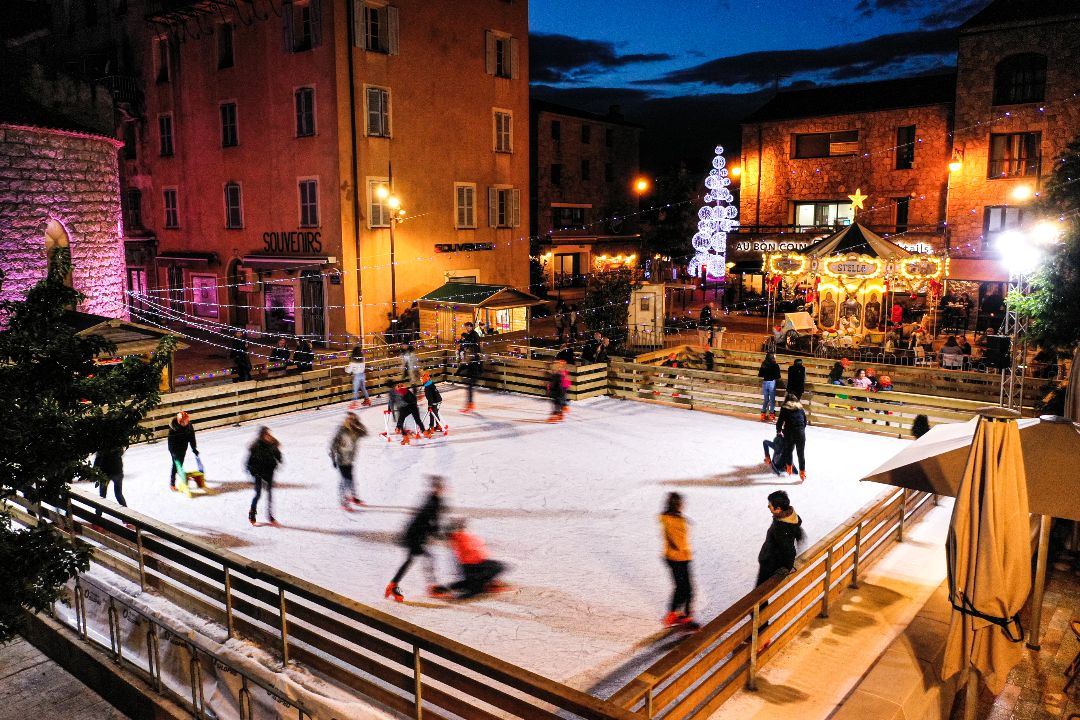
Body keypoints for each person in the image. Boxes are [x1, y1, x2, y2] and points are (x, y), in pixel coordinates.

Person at [386, 476, 446, 602]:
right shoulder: (433, 502)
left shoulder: (433, 500)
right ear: (436, 488)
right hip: (415, 537)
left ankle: (393, 586)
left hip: (415, 535)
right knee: (423, 558)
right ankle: (432, 587)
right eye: (439, 487)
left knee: (414, 560)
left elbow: (430, 522)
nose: (442, 489)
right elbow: (432, 523)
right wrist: (441, 533)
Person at [660, 492, 697, 628]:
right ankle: (679, 615)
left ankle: (679, 615)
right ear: (676, 504)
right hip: (678, 558)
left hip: (678, 557)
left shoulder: (671, 518)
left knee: (684, 588)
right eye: (680, 503)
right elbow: (675, 539)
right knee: (685, 589)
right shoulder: (673, 520)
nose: (683, 505)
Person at [445, 518, 508, 599]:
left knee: (498, 567)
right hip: (473, 565)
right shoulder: (459, 536)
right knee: (497, 568)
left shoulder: (463, 536)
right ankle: (475, 589)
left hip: (477, 564)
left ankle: (446, 589)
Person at [756, 490, 804, 586]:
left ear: (778, 509)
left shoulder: (781, 527)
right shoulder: (791, 517)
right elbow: (798, 532)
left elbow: (789, 550)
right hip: (770, 560)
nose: (768, 506)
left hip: (770, 563)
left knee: (761, 590)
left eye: (770, 505)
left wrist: (787, 566)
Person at [329, 412, 367, 509]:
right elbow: (333, 445)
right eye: (349, 420)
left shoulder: (355, 431)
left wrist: (358, 423)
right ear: (346, 421)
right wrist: (333, 458)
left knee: (351, 479)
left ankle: (354, 497)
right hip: (341, 460)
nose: (351, 422)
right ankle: (343, 501)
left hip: (350, 460)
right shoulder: (341, 431)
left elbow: (365, 433)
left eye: (353, 421)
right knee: (345, 480)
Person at [246, 426, 282, 525]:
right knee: (258, 494)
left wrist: (278, 458)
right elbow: (249, 462)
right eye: (266, 434)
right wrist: (253, 472)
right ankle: (252, 513)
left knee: (270, 495)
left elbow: (278, 456)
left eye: (269, 434)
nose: (268, 435)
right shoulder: (256, 446)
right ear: (262, 435)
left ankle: (270, 515)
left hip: (269, 473)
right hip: (258, 473)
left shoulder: (272, 444)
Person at [775, 395, 807, 481]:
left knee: (789, 450)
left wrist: (779, 431)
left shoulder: (785, 408)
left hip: (789, 432)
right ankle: (802, 472)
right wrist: (801, 430)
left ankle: (789, 468)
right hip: (800, 432)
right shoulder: (800, 409)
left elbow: (779, 422)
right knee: (801, 453)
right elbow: (804, 421)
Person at [167, 411, 199, 492]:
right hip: (174, 449)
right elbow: (170, 444)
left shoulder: (189, 426)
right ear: (179, 421)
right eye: (184, 422)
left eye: (187, 421)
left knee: (181, 463)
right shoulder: (173, 429)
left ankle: (180, 471)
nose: (186, 423)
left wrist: (194, 448)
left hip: (184, 448)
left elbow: (192, 438)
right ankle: (172, 483)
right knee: (175, 465)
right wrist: (173, 454)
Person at [94, 443, 127, 511]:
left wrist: (94, 469)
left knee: (102, 495)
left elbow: (98, 459)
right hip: (117, 472)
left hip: (106, 474)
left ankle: (98, 514)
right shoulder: (117, 445)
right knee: (118, 494)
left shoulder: (102, 445)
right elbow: (121, 453)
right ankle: (126, 516)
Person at [457, 322, 482, 412]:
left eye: (468, 327)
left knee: (469, 386)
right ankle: (470, 404)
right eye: (466, 327)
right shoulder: (470, 336)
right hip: (471, 367)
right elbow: (465, 344)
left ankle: (470, 405)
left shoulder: (474, 335)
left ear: (471, 327)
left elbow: (473, 343)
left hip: (474, 367)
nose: (467, 328)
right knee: (469, 387)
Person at [345, 344, 370, 408]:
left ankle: (355, 403)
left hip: (357, 376)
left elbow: (348, 370)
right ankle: (367, 400)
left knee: (355, 390)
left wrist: (345, 368)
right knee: (363, 388)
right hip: (362, 374)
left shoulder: (353, 362)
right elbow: (363, 366)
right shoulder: (362, 359)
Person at [758, 353, 781, 422]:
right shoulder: (775, 365)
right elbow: (778, 376)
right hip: (772, 382)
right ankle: (771, 415)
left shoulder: (764, 364)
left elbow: (760, 374)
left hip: (765, 382)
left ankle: (763, 414)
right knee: (772, 400)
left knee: (766, 400)